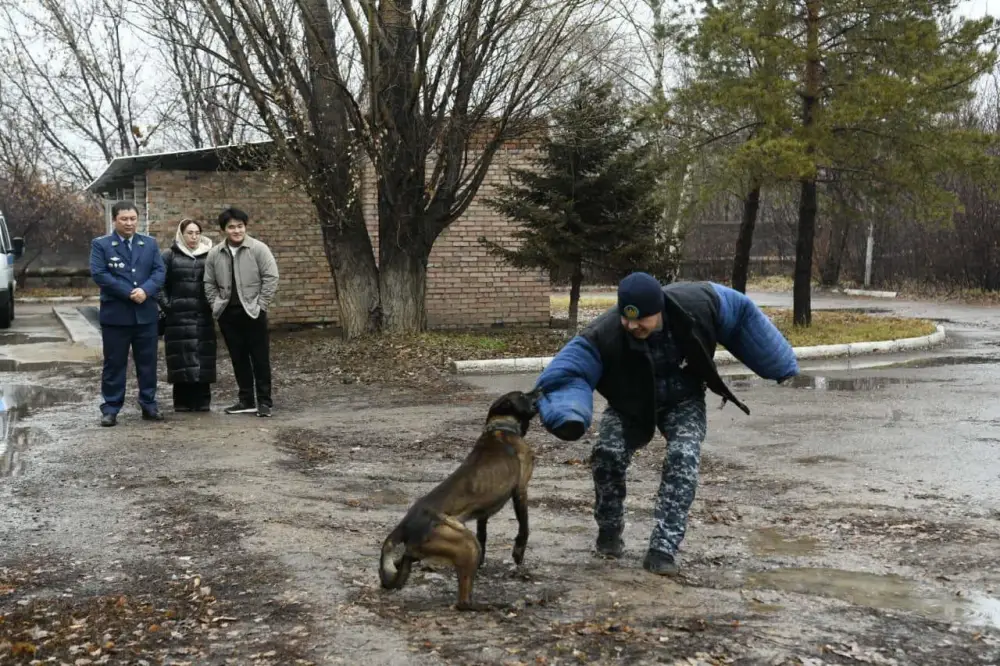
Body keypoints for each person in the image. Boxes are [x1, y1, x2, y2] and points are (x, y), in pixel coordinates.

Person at [533, 272, 799, 575]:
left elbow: (738, 313)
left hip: (683, 400)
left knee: (683, 456)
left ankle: (663, 549)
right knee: (607, 453)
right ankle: (609, 531)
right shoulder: (605, 333)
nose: (632, 326)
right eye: (626, 318)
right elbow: (568, 373)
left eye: (640, 319)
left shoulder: (695, 309)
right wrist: (569, 415)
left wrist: (778, 363)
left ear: (658, 310)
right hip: (630, 404)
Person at [89, 200, 167, 427]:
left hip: (146, 315)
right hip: (116, 316)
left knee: (148, 363)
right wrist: (128, 292)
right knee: (114, 363)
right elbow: (100, 274)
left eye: (133, 219)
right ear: (114, 220)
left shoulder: (149, 244)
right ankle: (111, 408)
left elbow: (159, 271)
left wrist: (146, 290)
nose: (129, 223)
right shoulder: (101, 245)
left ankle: (149, 405)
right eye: (124, 219)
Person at [203, 207, 279, 418]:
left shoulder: (258, 249)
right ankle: (246, 400)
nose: (236, 230)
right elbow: (208, 282)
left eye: (240, 226)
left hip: (253, 312)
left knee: (260, 358)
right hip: (228, 314)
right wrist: (216, 304)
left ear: (245, 227)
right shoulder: (215, 253)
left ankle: (264, 402)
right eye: (231, 227)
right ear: (224, 230)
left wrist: (261, 304)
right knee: (238, 358)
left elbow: (271, 277)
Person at [158, 219, 217, 412]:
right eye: (189, 233)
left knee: (203, 356)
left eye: (197, 232)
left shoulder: (210, 255)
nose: (193, 237)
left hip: (202, 315)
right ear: (181, 234)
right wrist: (168, 305)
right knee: (180, 357)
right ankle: (182, 400)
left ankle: (202, 400)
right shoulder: (169, 255)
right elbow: (159, 284)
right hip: (177, 317)